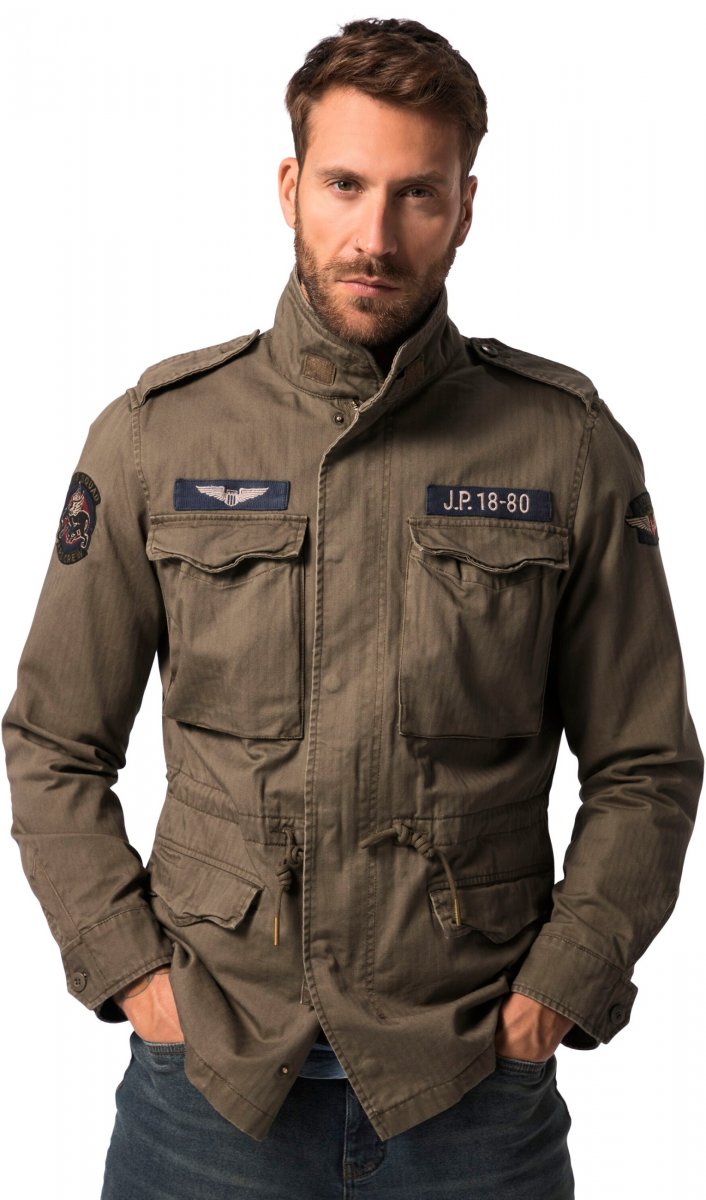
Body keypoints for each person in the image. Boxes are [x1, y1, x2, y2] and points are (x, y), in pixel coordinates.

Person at [3, 16, 702, 1200]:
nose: (374, 236)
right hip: (208, 1092)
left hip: (473, 1095)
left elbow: (644, 767)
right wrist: (134, 975)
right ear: (289, 188)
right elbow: (53, 741)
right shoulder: (156, 436)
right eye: (343, 185)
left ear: (464, 207)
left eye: (416, 194)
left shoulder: (566, 447)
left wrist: (560, 990)